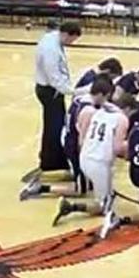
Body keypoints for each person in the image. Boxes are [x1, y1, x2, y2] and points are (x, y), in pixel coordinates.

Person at [50, 81, 136, 235]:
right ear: (128, 109)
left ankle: (72, 206)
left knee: (105, 195)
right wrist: (131, 146)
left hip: (85, 157)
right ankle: (83, 214)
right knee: (105, 205)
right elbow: (117, 148)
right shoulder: (122, 119)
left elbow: (82, 135)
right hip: (99, 163)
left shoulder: (99, 112)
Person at [29, 21, 82, 180]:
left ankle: (54, 158)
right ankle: (50, 162)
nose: (71, 43)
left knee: (55, 126)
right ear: (66, 34)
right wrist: (73, 91)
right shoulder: (50, 50)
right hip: (50, 91)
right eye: (72, 40)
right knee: (55, 127)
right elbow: (54, 77)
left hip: (51, 90)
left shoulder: (53, 39)